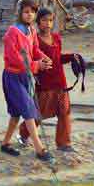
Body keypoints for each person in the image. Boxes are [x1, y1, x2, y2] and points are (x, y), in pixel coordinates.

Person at [1, 0, 53, 161]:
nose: (29, 14)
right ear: (20, 13)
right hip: (13, 76)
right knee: (29, 111)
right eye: (26, 11)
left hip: (27, 76)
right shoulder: (12, 32)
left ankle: (5, 144)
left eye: (32, 11)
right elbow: (15, 58)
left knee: (16, 114)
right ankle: (39, 149)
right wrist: (37, 65)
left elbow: (35, 49)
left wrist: (44, 58)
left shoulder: (30, 30)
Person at [17, 8, 75, 152]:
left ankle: (64, 143)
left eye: (50, 20)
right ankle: (23, 132)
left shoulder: (56, 38)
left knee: (64, 111)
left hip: (60, 82)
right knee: (39, 114)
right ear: (38, 22)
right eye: (44, 20)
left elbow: (57, 59)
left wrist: (72, 57)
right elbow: (29, 61)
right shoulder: (34, 40)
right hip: (44, 84)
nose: (47, 24)